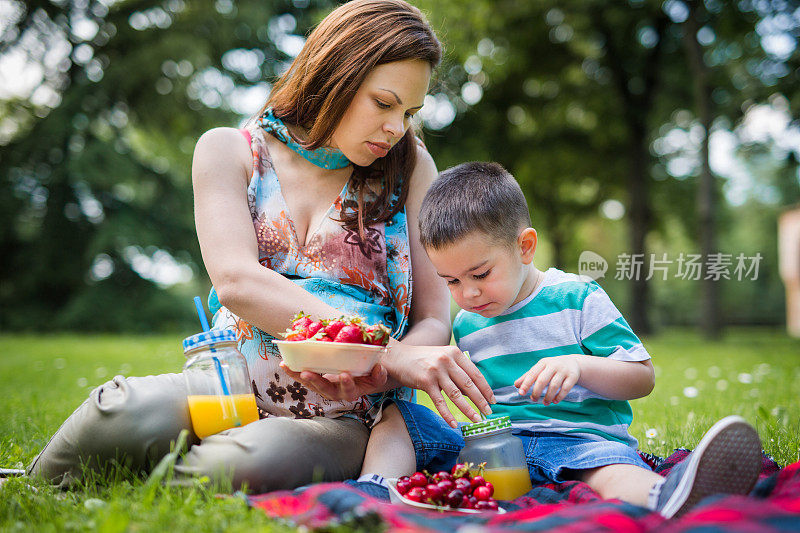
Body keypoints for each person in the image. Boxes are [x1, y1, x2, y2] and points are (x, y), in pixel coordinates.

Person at [26, 0, 495, 492]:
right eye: (384, 103)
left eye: (409, 112)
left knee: (247, 461)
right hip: (225, 386)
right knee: (119, 411)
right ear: (335, 74)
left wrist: (381, 370)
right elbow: (236, 280)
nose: (396, 128)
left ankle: (163, 477)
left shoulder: (412, 166)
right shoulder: (230, 150)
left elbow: (433, 318)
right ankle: (32, 480)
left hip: (344, 414)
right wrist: (387, 351)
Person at [366, 161, 763, 518]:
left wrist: (579, 366)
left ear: (525, 247)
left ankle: (667, 497)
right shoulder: (468, 323)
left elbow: (643, 377)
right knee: (401, 417)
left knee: (611, 471)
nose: (467, 294)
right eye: (451, 281)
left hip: (581, 444)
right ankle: (371, 496)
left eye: (481, 274)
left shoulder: (576, 298)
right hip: (502, 451)